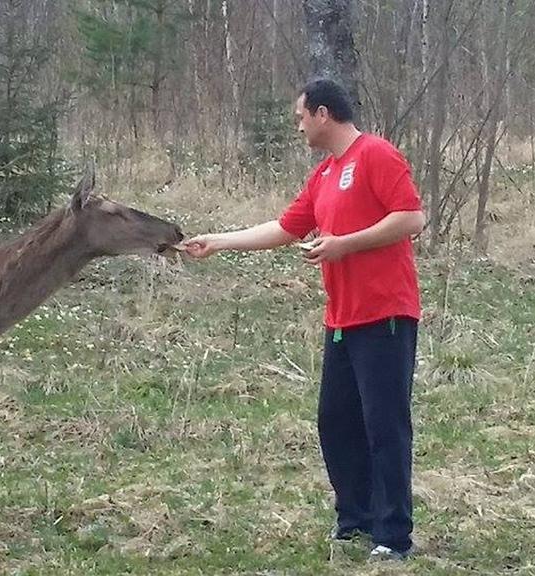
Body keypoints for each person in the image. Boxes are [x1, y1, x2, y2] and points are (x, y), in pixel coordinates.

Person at [183, 78, 425, 561]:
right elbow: (284, 227)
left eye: (300, 117)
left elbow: (411, 218)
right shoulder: (324, 175)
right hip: (341, 320)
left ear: (321, 114)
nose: (298, 127)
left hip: (386, 314)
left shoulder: (376, 155)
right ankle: (355, 519)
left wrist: (343, 243)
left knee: (384, 425)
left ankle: (392, 535)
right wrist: (218, 241)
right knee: (335, 421)